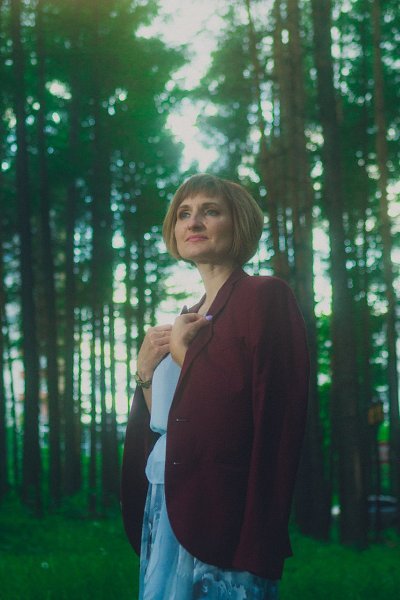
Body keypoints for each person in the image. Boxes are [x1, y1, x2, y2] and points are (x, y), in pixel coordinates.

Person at [121, 174, 310, 599]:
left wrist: (183, 355)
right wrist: (145, 373)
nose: (193, 222)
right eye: (183, 214)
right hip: (166, 499)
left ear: (238, 223)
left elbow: (274, 413)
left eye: (210, 211)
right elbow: (169, 420)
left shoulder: (264, 296)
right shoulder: (187, 314)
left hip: (225, 507)